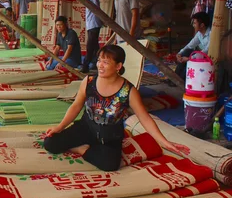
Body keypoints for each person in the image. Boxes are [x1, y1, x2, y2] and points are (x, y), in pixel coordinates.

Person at [44, 45, 186, 171]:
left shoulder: (128, 91)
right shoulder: (89, 81)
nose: (100, 65)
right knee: (50, 142)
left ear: (118, 66)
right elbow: (76, 106)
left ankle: (83, 149)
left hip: (110, 137)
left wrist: (164, 142)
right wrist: (60, 127)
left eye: (106, 62)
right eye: (99, 60)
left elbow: (144, 118)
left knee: (110, 165)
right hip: (86, 128)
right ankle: (86, 146)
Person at [175, 11, 211, 80]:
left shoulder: (211, 34)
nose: (193, 25)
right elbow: (189, 45)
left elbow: (206, 51)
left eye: (195, 23)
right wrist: (179, 53)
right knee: (187, 51)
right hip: (202, 56)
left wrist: (189, 59)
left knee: (190, 61)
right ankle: (175, 78)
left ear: (202, 25)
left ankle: (181, 80)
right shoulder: (199, 34)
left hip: (208, 59)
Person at [80, 0, 103, 73]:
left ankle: (85, 65)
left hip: (94, 23)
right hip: (91, 23)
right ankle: (97, 63)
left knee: (90, 46)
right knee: (95, 46)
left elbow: (96, 9)